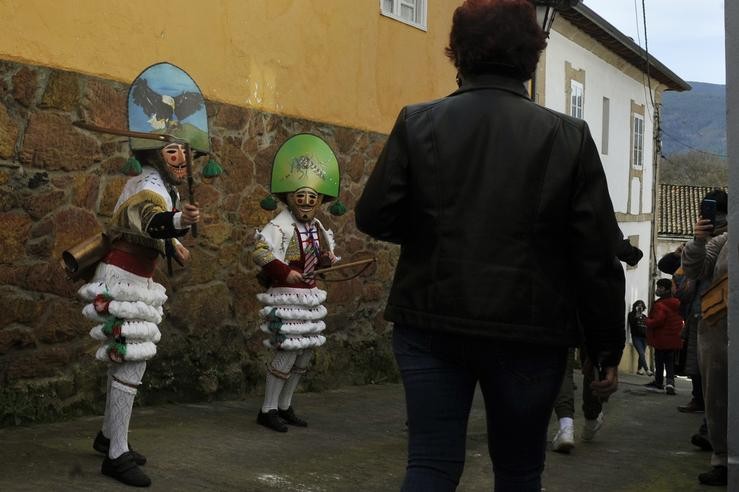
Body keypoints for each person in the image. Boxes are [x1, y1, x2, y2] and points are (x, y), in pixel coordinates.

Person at [354, 1, 625, 490]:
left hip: (430, 320)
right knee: (520, 469)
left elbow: (375, 215)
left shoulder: (418, 122)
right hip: (530, 331)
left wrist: (437, 230)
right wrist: (604, 348)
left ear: (457, 52)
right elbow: (596, 257)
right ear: (533, 54)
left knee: (430, 464)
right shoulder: (568, 137)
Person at [73, 62, 213, 487]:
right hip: (122, 281)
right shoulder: (147, 186)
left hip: (135, 281)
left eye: (184, 151)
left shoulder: (160, 186)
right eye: (172, 151)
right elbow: (148, 221)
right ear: (155, 154)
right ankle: (115, 455)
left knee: (127, 365)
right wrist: (175, 224)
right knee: (128, 366)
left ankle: (108, 437)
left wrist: (176, 238)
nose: (181, 159)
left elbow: (156, 229)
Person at [253, 134, 342, 433]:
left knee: (303, 352)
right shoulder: (278, 226)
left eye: (311, 198)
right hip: (286, 297)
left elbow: (322, 258)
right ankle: (267, 409)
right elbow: (261, 251)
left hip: (309, 298)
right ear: (289, 197)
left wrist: (327, 258)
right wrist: (284, 272)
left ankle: (285, 405)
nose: (305, 202)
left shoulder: (318, 227)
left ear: (320, 200)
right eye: (300, 197)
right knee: (287, 349)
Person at [681, 189, 728, 486]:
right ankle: (723, 460)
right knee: (717, 399)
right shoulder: (725, 240)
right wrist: (698, 240)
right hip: (718, 334)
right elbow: (695, 268)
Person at [643, 278, 683, 395]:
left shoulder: (660, 304)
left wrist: (646, 321)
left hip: (661, 338)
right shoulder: (676, 303)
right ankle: (670, 383)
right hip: (673, 338)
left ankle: (659, 382)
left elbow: (658, 321)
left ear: (665, 289)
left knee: (659, 361)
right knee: (669, 362)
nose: (657, 290)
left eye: (659, 288)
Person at [627, 300, 650, 376]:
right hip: (636, 337)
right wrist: (637, 316)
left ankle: (639, 369)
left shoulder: (644, 317)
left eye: (642, 306)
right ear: (635, 306)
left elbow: (647, 327)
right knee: (641, 353)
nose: (640, 307)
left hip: (644, 338)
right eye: (638, 306)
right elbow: (632, 324)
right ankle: (647, 370)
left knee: (641, 354)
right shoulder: (631, 315)